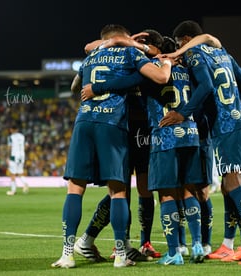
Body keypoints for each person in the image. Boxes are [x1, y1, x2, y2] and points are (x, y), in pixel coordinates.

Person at [51, 24, 172, 269]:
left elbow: (75, 87)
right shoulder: (131, 53)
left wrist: (97, 83)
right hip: (114, 123)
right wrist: (162, 63)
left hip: (84, 121)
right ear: (125, 38)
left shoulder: (92, 55)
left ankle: (67, 254)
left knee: (75, 187)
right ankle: (120, 254)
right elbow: (160, 77)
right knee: (119, 190)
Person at [159, 20, 241, 265]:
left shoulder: (193, 53)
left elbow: (207, 86)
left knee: (233, 185)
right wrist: (232, 103)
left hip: (226, 126)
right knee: (229, 186)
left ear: (186, 39)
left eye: (180, 44)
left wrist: (183, 112)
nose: (179, 50)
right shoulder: (223, 54)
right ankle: (234, 245)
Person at [74, 29, 163, 262]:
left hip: (141, 127)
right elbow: (89, 46)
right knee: (119, 189)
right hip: (120, 125)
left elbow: (150, 57)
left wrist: (132, 43)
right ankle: (106, 241)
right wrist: (125, 41)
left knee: (143, 187)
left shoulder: (146, 58)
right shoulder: (122, 56)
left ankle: (142, 243)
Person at [6, 122, 29, 196]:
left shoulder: (10, 137)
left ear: (11, 129)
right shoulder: (22, 136)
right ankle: (25, 183)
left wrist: (7, 157)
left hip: (14, 156)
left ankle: (13, 191)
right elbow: (27, 145)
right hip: (22, 156)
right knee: (20, 172)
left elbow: (9, 147)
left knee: (12, 173)